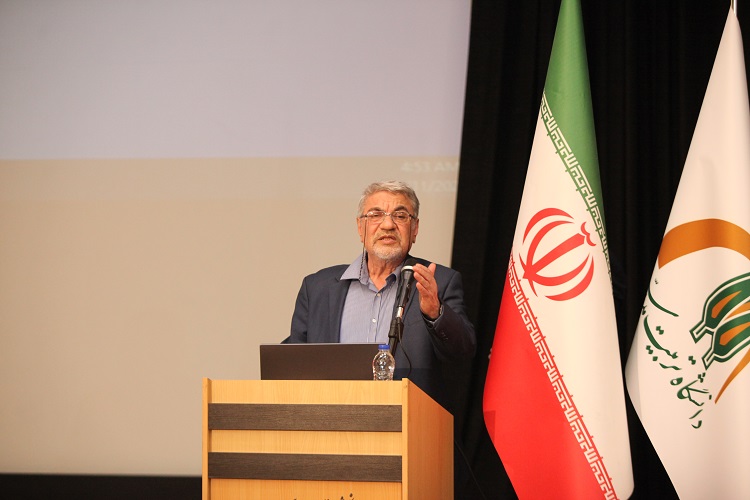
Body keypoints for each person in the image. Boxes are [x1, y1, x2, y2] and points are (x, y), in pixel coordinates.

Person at [284, 180, 476, 412]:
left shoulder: (438, 281)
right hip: (330, 421)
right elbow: (292, 364)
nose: (388, 225)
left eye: (400, 216)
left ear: (414, 229)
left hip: (410, 423)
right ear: (360, 227)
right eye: (375, 215)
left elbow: (462, 354)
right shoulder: (318, 288)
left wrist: (435, 313)